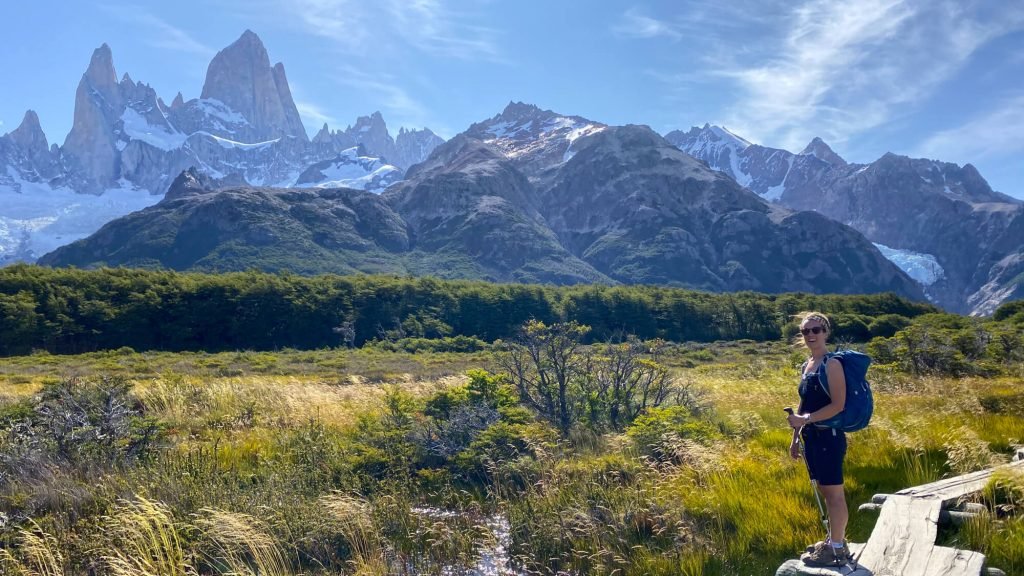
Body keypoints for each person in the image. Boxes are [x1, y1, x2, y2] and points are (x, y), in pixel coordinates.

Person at [787, 311, 850, 567]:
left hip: (829, 437)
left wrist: (806, 420)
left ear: (825, 332)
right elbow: (803, 405)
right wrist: (795, 437)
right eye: (806, 331)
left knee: (834, 494)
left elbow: (838, 405)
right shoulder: (807, 365)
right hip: (812, 438)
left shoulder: (831, 364)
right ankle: (834, 541)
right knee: (826, 491)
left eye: (816, 330)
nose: (811, 335)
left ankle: (836, 549)